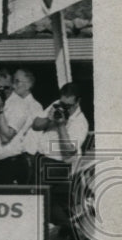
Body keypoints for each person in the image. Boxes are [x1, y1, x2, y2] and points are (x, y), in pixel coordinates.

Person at [28, 83, 90, 228]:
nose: (64, 107)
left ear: (78, 101)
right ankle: (69, 231)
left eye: (68, 105)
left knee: (37, 198)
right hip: (41, 158)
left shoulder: (81, 123)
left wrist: (61, 125)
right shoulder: (57, 104)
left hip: (59, 164)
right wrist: (49, 119)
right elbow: (36, 125)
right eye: (62, 103)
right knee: (48, 202)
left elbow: (69, 150)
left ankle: (68, 232)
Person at [0, 68, 44, 185]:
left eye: (6, 88)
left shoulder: (23, 105)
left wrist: (0, 110)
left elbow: (6, 137)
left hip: (10, 162)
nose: (2, 91)